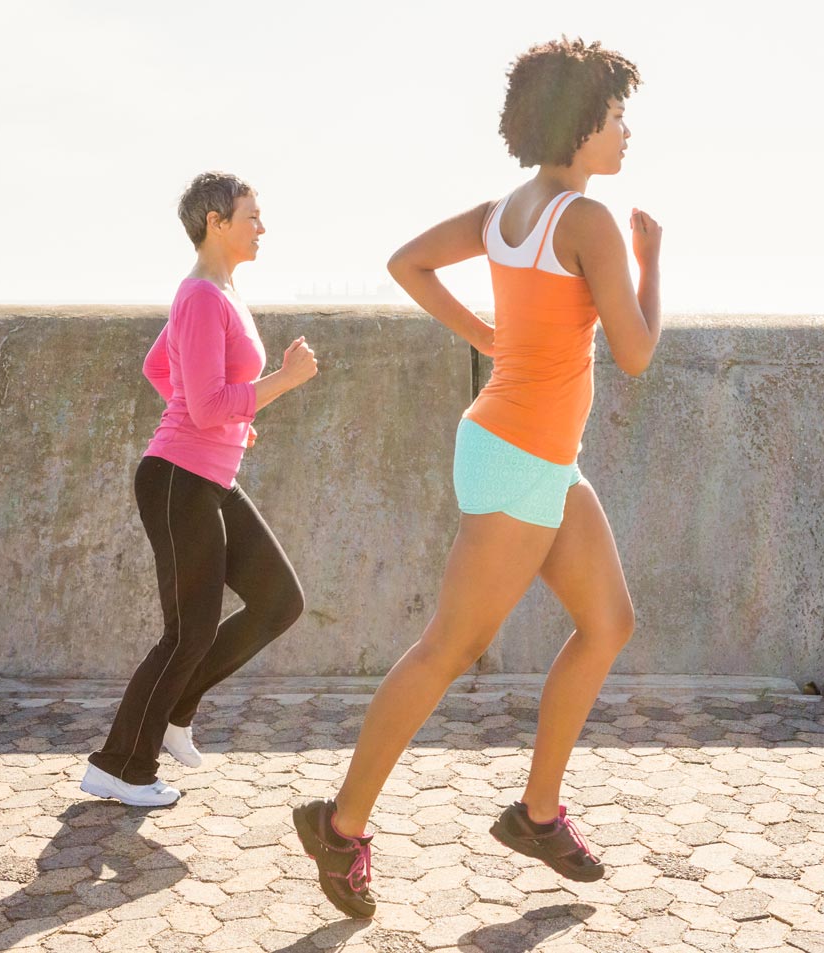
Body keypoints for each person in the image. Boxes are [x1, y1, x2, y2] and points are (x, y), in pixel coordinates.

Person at [292, 38, 662, 917]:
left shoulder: (507, 211)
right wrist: (654, 265)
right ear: (579, 122)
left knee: (607, 621)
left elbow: (405, 263)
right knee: (447, 649)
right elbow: (638, 353)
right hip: (522, 459)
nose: (626, 133)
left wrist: (485, 336)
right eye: (616, 118)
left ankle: (537, 812)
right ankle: (340, 828)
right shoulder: (587, 221)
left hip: (528, 454)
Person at [82, 172, 318, 807]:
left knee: (279, 600)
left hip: (210, 476)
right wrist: (284, 382)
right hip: (177, 479)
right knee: (187, 632)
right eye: (252, 216)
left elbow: (160, 368)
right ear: (216, 221)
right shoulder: (200, 296)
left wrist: (228, 421)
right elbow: (210, 405)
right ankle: (120, 766)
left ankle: (177, 711)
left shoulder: (223, 292)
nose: (261, 227)